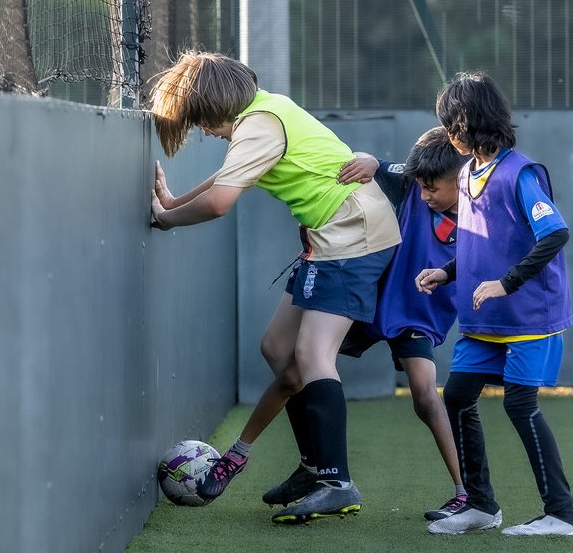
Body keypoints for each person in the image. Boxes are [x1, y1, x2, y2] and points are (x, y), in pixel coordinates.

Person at [148, 51, 401, 524]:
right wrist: (173, 199)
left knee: (311, 355)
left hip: (355, 234)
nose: (202, 129)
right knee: (278, 349)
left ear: (215, 105)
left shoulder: (259, 124)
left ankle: (336, 482)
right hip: (332, 237)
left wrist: (166, 220)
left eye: (200, 120)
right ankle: (312, 468)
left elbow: (221, 202)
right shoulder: (262, 112)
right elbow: (226, 177)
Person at [416, 72, 573, 536]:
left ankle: (562, 515)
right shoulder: (467, 172)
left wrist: (507, 283)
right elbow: (480, 244)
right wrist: (447, 271)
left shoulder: (521, 173)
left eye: (450, 122)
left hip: (529, 315)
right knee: (458, 397)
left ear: (467, 120)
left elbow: (556, 233)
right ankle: (482, 507)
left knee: (520, 404)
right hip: (484, 318)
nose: (447, 132)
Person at [335, 127, 470, 521]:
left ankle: (465, 493)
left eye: (433, 189)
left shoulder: (482, 213)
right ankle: (317, 471)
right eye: (421, 186)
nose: (425, 195)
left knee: (426, 397)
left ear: (460, 181)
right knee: (301, 366)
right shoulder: (412, 185)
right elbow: (378, 165)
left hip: (418, 317)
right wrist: (369, 160)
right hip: (372, 303)